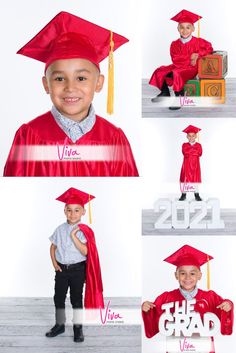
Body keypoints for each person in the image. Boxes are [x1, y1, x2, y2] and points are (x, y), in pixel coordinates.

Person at [3, 11, 138, 176]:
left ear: (99, 83)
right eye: (59, 79)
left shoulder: (113, 139)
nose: (70, 87)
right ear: (46, 85)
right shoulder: (30, 136)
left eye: (81, 78)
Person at [142, 245, 234, 349]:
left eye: (193, 273)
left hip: (203, 348)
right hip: (176, 348)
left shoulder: (210, 297)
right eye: (182, 273)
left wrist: (228, 305)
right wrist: (147, 310)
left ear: (199, 275)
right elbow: (153, 322)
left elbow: (223, 314)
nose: (187, 277)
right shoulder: (166, 298)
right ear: (176, 275)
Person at [45, 187, 103, 342]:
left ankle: (78, 328)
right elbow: (53, 246)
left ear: (83, 212)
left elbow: (86, 252)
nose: (73, 214)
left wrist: (73, 235)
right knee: (58, 297)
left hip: (78, 270)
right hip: (62, 270)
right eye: (69, 210)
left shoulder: (85, 231)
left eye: (77, 210)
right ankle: (59, 324)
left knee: (76, 299)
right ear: (65, 211)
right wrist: (54, 263)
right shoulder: (59, 229)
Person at [150, 9, 213, 110]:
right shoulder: (174, 44)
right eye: (182, 28)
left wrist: (198, 54)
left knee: (176, 73)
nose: (185, 30)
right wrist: (190, 57)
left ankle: (179, 98)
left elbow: (209, 48)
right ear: (178, 29)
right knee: (160, 71)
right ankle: (165, 93)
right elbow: (175, 59)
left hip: (191, 68)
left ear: (193, 29)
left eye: (188, 27)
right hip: (178, 65)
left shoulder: (198, 41)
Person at [179, 125, 202, 201]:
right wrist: (194, 151)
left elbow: (199, 153)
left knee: (195, 179)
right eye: (189, 136)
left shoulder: (199, 145)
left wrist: (191, 151)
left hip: (195, 165)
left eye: (193, 136)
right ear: (187, 137)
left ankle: (196, 194)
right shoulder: (184, 145)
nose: (191, 137)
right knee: (185, 179)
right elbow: (185, 153)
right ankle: (183, 194)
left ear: (195, 136)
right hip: (187, 165)